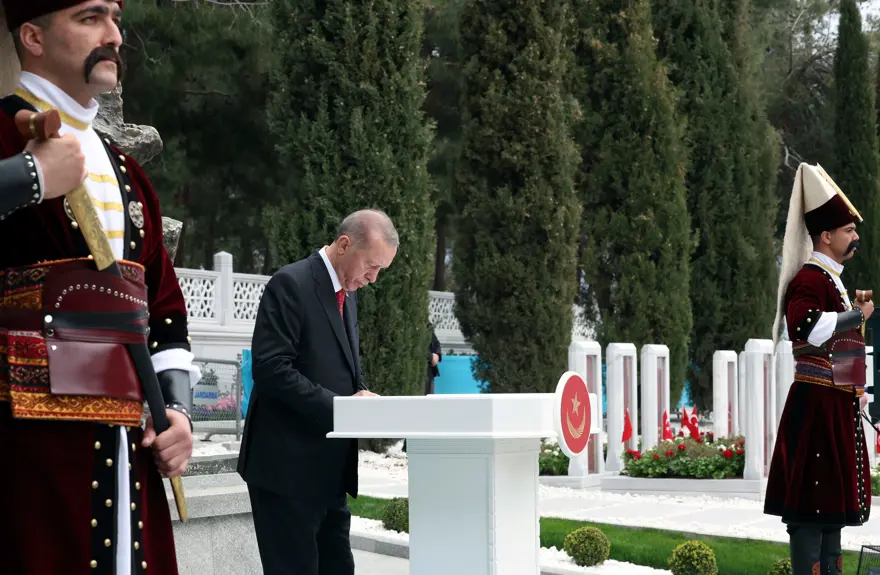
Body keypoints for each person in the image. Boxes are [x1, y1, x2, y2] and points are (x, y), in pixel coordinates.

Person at [0, 1, 201, 574]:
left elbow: (162, 310)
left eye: (114, 18)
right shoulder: (3, 135)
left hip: (127, 452)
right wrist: (29, 177)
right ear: (33, 36)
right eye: (90, 18)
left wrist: (178, 413)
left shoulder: (130, 175)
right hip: (21, 457)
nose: (114, 34)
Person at [238, 209, 398, 575]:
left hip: (329, 473)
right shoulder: (290, 283)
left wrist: (363, 396)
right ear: (344, 244)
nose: (373, 278)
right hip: (286, 470)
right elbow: (271, 369)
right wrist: (342, 407)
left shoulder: (347, 293)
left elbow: (337, 366)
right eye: (371, 266)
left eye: (380, 270)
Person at [764, 162, 873, 575]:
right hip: (815, 410)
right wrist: (855, 316)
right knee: (812, 513)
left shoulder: (832, 281)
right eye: (848, 230)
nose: (855, 237)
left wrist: (856, 389)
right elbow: (805, 327)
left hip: (832, 407)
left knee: (830, 517)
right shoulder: (810, 280)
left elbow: (838, 346)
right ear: (826, 236)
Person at [425, 322, 441, 394]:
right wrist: (431, 357)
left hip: (429, 371)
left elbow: (436, 342)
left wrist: (437, 355)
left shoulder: (426, 323)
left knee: (429, 397)